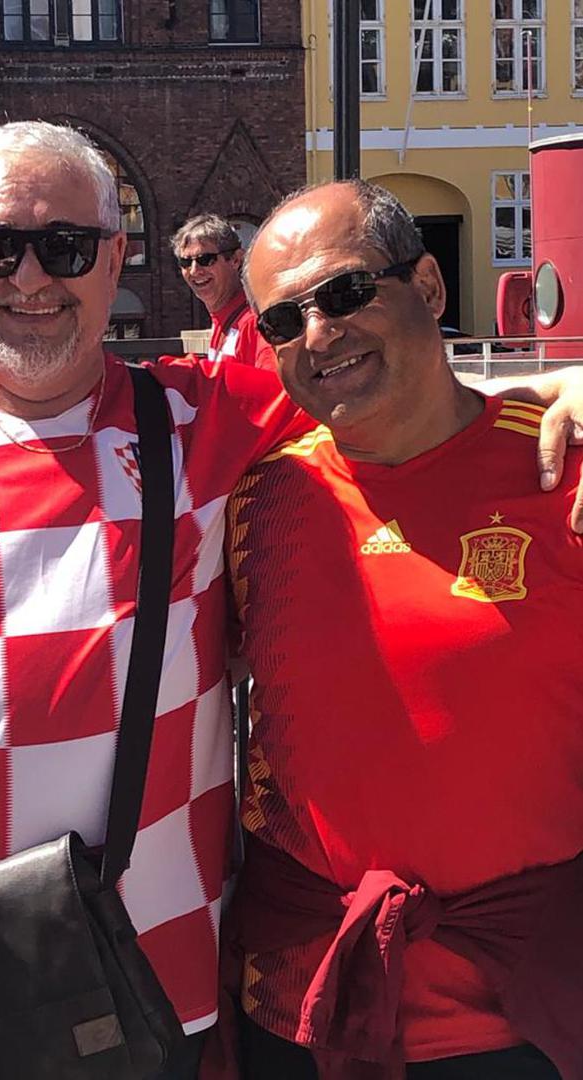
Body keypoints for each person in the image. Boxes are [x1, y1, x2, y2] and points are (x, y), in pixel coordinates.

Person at [0, 134, 580, 1080]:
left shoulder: (206, 419)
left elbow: (395, 393)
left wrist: (557, 384)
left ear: (116, 256)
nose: (30, 278)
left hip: (159, 999)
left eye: (67, 246)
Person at [221, 179, 583, 1079]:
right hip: (304, 1002)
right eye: (282, 321)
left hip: (525, 1009)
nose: (318, 335)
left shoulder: (561, 472)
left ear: (426, 286)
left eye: (346, 293)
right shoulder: (256, 500)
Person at [172, 214, 275, 370]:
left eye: (205, 260)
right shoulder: (222, 319)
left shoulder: (255, 323)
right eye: (185, 262)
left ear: (236, 260)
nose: (194, 271)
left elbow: (273, 382)